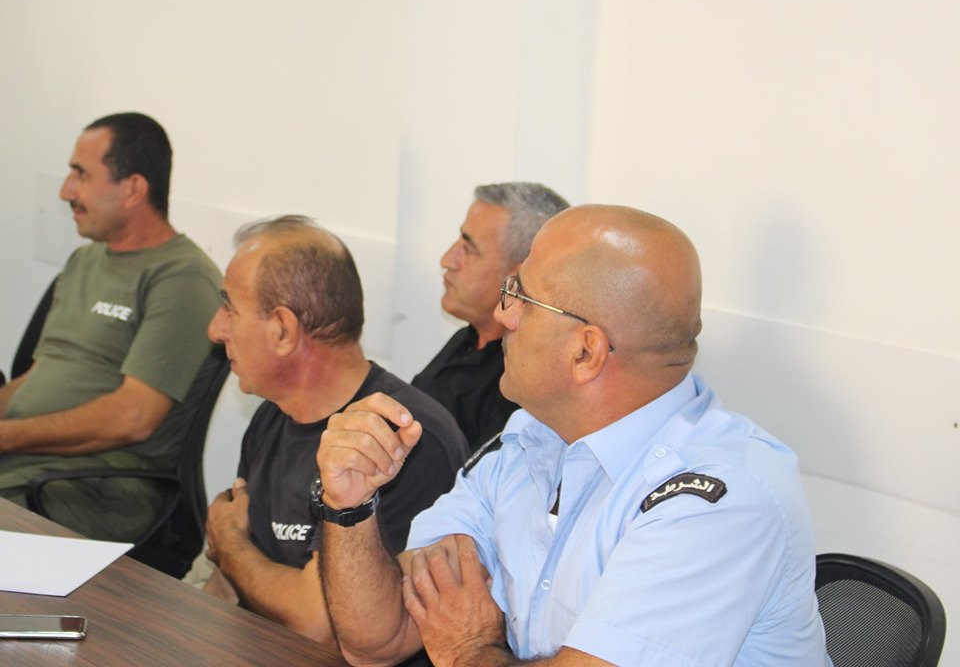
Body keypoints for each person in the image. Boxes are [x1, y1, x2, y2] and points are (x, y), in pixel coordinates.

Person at [315, 205, 831, 666]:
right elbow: (379, 641)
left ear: (586, 352)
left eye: (520, 297)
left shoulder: (720, 503)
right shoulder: (529, 440)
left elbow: (452, 643)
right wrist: (350, 508)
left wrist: (468, 652)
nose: (502, 314)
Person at [203, 215, 468, 652]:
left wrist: (228, 544)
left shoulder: (403, 440)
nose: (215, 330)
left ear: (283, 330)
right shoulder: (271, 418)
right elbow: (230, 587)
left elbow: (317, 625)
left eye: (229, 308)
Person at [0, 112, 221, 541]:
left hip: (94, 485)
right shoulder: (84, 261)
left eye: (81, 174)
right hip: (26, 462)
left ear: (133, 188)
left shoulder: (182, 277)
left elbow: (133, 417)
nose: (66, 191)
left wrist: (6, 437)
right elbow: (39, 377)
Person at [412, 182, 568, 451]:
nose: (447, 260)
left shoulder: (521, 384)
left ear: (520, 274)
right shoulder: (468, 338)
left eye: (469, 248)